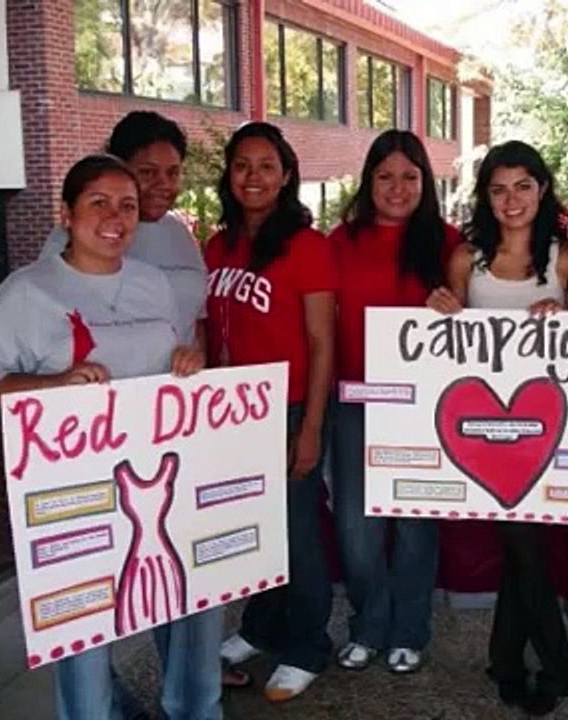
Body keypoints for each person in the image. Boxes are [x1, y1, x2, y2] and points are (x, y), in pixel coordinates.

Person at [0, 154, 214, 719]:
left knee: (187, 602)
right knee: (85, 630)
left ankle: (197, 710)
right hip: (78, 494)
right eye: (98, 202)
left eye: (127, 205)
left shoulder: (154, 285)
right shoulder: (27, 291)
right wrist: (55, 383)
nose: (115, 217)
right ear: (67, 213)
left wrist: (188, 358)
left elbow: (175, 359)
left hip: (162, 478)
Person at [427, 140, 568, 716]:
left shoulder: (563, 260)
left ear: (541, 190)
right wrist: (438, 307)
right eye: (498, 189)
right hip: (484, 431)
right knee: (521, 544)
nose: (511, 200)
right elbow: (447, 347)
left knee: (525, 547)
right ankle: (555, 667)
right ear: (485, 197)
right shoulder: (467, 259)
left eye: (522, 186)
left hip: (548, 427)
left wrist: (567, 315)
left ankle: (508, 661)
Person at [206, 121, 336, 702]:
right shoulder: (219, 243)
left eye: (265, 166)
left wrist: (310, 426)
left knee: (298, 532)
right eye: (241, 165)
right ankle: (260, 628)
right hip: (231, 414)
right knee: (255, 528)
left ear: (286, 175)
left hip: (286, 409)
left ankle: (308, 644)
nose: (252, 176)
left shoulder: (308, 247)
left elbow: (321, 342)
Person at [329, 129, 461, 674]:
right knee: (356, 527)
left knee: (413, 522)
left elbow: (476, 327)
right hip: (354, 399)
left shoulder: (450, 242)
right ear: (368, 181)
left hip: (421, 407)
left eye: (409, 176)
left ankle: (410, 630)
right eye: (385, 176)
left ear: (425, 183)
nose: (397, 187)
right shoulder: (339, 241)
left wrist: (458, 310)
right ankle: (368, 625)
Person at [40, 110, 208, 348]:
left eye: (173, 173)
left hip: (180, 382)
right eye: (148, 172)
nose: (165, 185)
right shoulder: (76, 235)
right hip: (105, 382)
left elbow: (197, 322)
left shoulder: (179, 232)